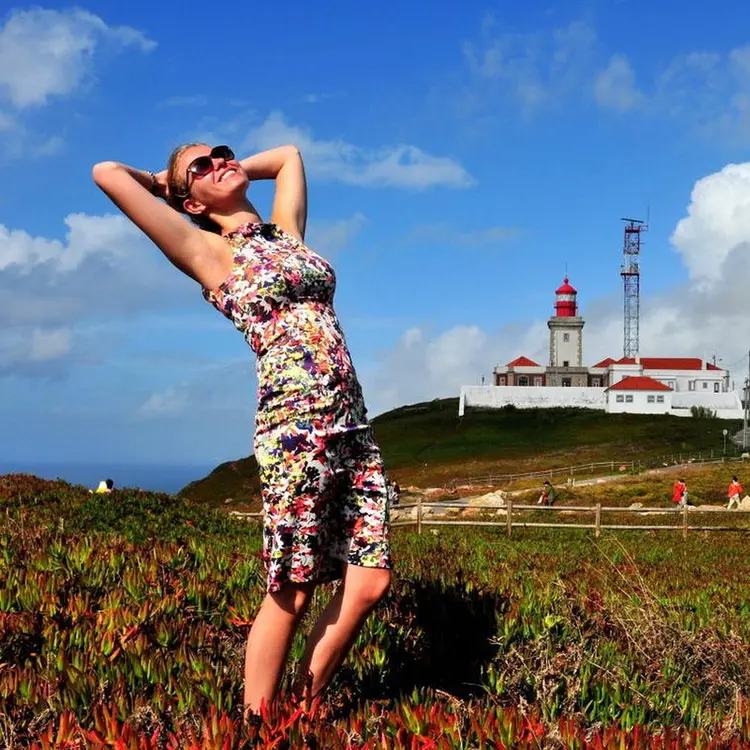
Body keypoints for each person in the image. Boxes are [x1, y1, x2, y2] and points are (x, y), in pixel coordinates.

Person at [92, 143, 391, 714]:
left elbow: (288, 156)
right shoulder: (206, 251)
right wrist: (163, 182)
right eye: (200, 167)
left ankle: (300, 710)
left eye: (222, 153)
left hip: (353, 426)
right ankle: (258, 723)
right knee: (293, 588)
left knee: (371, 582)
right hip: (295, 429)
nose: (218, 163)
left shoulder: (287, 235)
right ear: (190, 202)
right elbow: (106, 173)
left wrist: (222, 169)